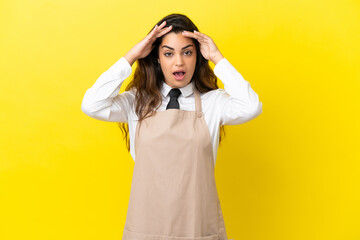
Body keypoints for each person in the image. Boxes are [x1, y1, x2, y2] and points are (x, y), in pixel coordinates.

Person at [81, 13, 262, 240]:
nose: (179, 62)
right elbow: (91, 104)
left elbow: (252, 106)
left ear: (198, 57)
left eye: (187, 52)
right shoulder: (137, 102)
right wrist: (133, 55)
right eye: (168, 53)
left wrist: (217, 57)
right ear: (157, 58)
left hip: (197, 227)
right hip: (146, 227)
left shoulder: (213, 103)